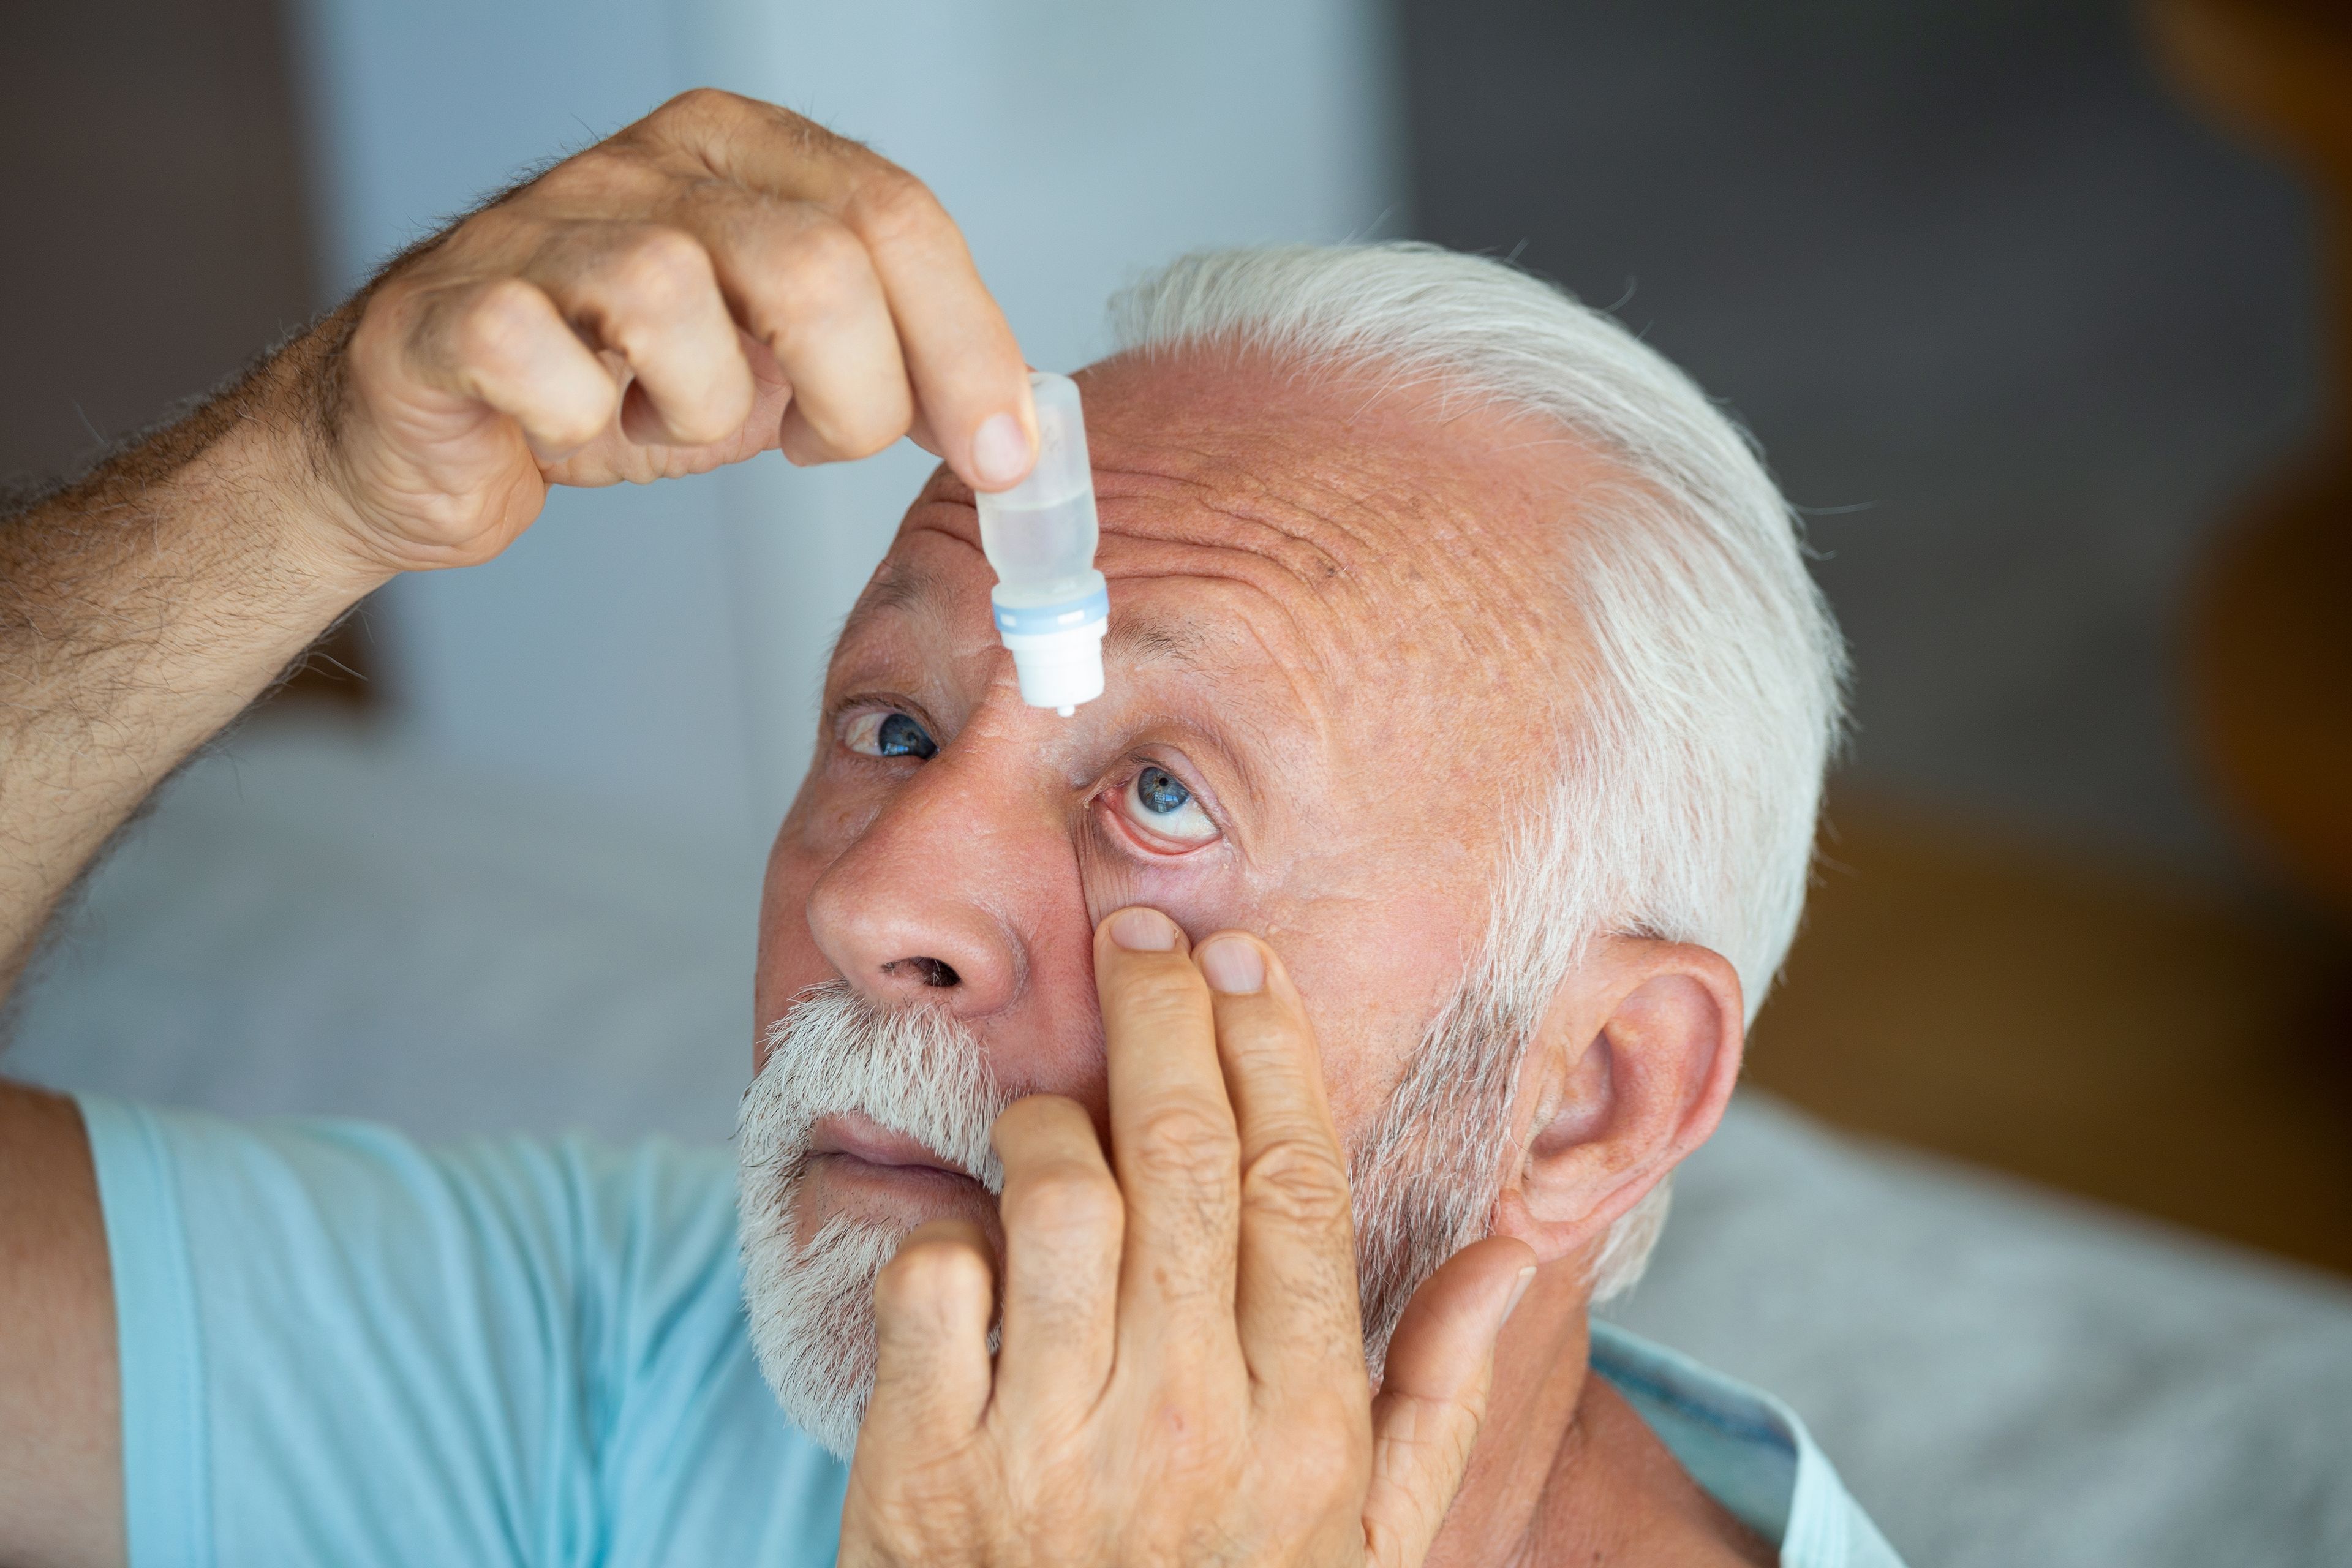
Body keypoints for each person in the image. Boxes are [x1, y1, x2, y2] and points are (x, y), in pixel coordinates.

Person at [0, 89, 1903, 1568]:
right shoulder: (642, 1360)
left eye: (1165, 797)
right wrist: (304, 478)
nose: (876, 899)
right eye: (895, 730)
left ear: (1592, 1098)